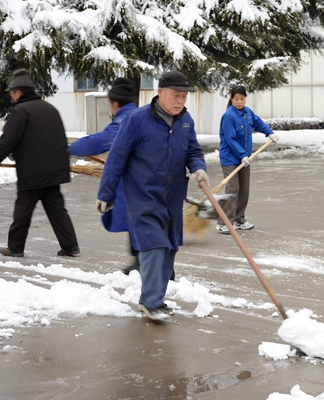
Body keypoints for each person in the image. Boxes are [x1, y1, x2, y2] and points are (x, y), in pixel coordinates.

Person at [96, 71, 208, 321]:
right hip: (143, 195)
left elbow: (193, 150)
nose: (180, 101)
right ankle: (150, 302)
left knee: (169, 248)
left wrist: (199, 167)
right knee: (153, 245)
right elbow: (117, 156)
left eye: (184, 96)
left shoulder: (185, 120)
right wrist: (106, 192)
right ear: (160, 93)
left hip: (173, 196)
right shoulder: (137, 120)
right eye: (175, 95)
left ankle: (157, 299)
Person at [0, 69, 80, 257]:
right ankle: (70, 245)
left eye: (12, 93)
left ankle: (15, 248)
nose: (11, 97)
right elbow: (60, 140)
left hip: (32, 174)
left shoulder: (20, 111)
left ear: (18, 91)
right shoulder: (50, 109)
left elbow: (8, 140)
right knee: (57, 211)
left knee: (22, 212)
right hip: (53, 173)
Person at [69, 78, 146, 276]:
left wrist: (71, 148)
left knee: (137, 219)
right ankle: (146, 262)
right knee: (141, 219)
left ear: (115, 104)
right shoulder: (140, 115)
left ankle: (146, 264)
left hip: (139, 183)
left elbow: (100, 141)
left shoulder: (126, 120)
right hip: (146, 179)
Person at [216, 86, 279, 233]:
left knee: (244, 189)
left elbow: (258, 122)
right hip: (230, 158)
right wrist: (242, 155)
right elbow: (230, 139)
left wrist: (269, 133)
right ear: (231, 99)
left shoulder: (247, 112)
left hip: (244, 157)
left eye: (242, 99)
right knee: (233, 189)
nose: (239, 102)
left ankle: (239, 219)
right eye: (236, 99)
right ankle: (223, 222)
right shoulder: (228, 116)